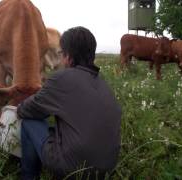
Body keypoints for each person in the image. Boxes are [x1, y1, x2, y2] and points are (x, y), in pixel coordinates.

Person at [17, 26, 121, 180]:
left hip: (73, 170)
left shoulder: (61, 78)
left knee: (29, 122)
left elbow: (26, 110)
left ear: (69, 57)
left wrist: (22, 104)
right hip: (106, 169)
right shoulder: (103, 84)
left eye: (62, 54)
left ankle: (28, 176)